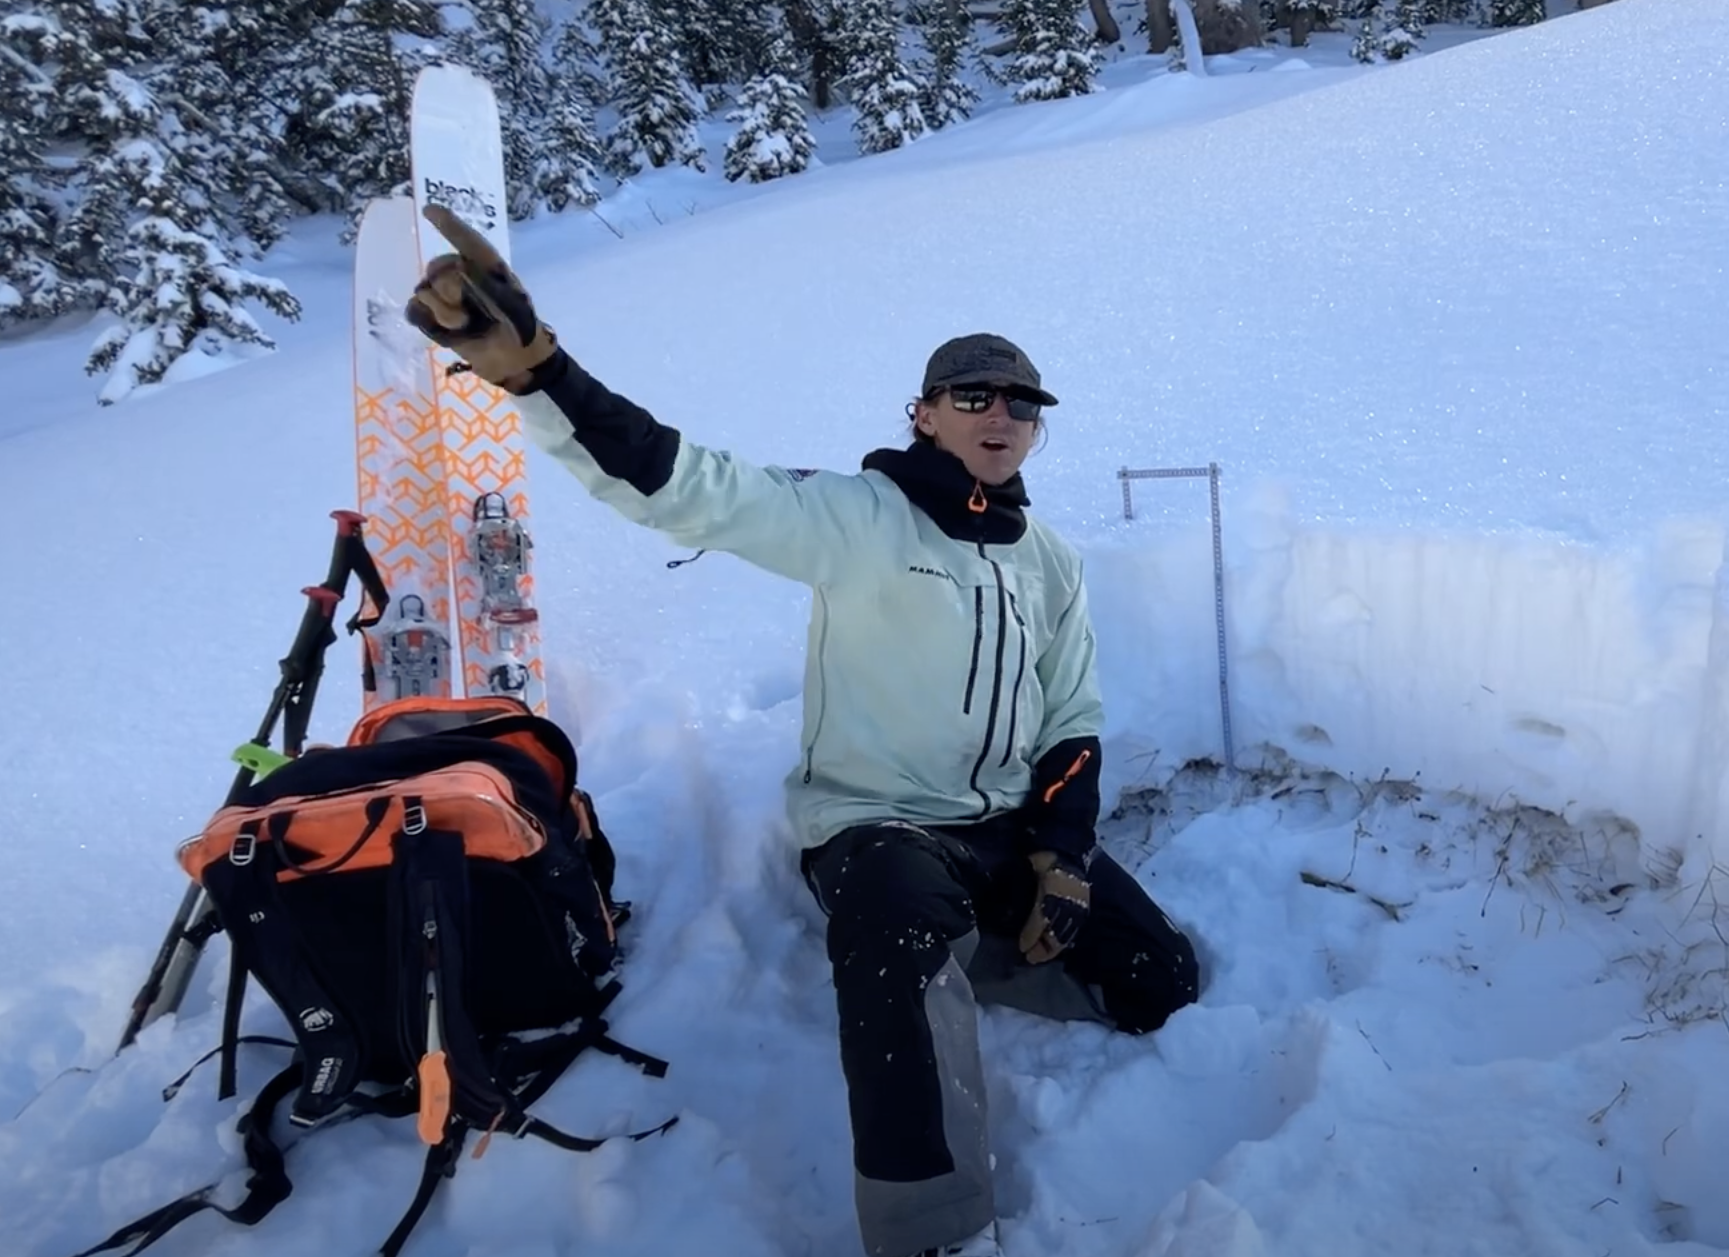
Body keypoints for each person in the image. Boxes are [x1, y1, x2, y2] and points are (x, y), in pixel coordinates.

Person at [404, 206, 1202, 1257]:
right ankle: (929, 1230)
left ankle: (959, 956)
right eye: (973, 395)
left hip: (1004, 829)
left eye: (1021, 403)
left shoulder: (1047, 559)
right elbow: (691, 488)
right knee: (896, 935)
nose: (1000, 414)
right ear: (924, 414)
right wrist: (544, 374)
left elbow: (1072, 715)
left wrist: (1061, 856)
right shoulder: (858, 515)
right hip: (879, 827)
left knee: (1160, 978)